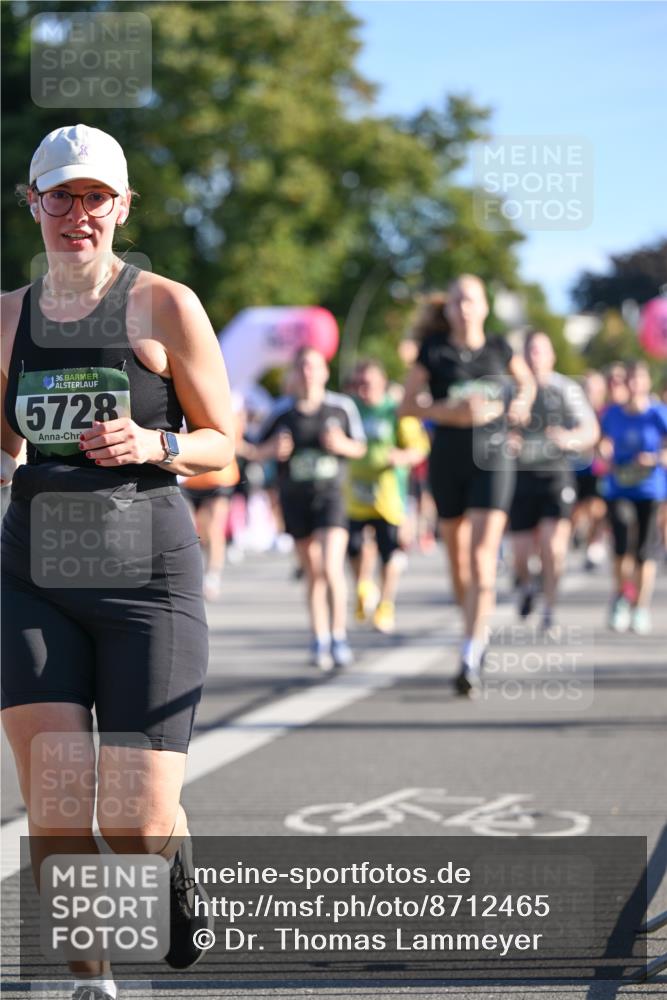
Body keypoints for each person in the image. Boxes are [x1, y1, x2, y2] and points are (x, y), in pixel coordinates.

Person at [1, 125, 235, 1000]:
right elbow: (2, 452)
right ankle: (88, 982)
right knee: (58, 809)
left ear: (122, 206)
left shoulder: (165, 305)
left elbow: (227, 449)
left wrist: (155, 438)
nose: (76, 213)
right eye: (58, 195)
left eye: (94, 196)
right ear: (33, 204)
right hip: (33, 579)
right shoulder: (7, 317)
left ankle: (172, 863)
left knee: (133, 825)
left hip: (148, 579)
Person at [399, 277, 535, 695]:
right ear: (449, 308)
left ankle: (470, 650)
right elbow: (407, 404)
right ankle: (473, 625)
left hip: (492, 460)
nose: (464, 307)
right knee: (458, 562)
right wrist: (450, 411)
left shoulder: (500, 348)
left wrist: (519, 405)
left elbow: (527, 385)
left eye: (471, 299)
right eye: (456, 299)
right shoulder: (434, 352)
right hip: (448, 460)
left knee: (481, 558)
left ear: (484, 306)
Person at [252, 347, 366, 670]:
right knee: (313, 571)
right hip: (295, 498)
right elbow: (253, 449)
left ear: (325, 372)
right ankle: (320, 638)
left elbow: (360, 447)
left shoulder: (340, 407)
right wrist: (272, 449)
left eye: (314, 366)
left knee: (331, 567)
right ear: (294, 373)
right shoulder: (281, 411)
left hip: (331, 496)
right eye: (302, 366)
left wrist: (342, 445)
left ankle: (339, 636)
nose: (308, 373)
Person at [509, 332, 599, 632]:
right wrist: (505, 440)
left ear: (551, 356)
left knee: (554, 547)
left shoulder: (566, 388)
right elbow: (490, 429)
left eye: (539, 351)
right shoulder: (512, 389)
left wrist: (570, 439)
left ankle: (549, 609)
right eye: (529, 351)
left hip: (555, 475)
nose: (534, 357)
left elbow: (590, 429)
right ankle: (526, 585)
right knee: (521, 554)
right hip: (520, 478)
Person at [346, 359, 429, 633]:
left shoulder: (395, 412)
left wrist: (401, 456)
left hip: (388, 497)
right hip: (355, 495)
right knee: (355, 548)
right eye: (359, 384)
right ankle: (363, 587)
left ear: (382, 383)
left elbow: (419, 448)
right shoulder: (351, 409)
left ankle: (385, 605)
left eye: (368, 384)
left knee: (388, 554)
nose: (363, 389)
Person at [598, 360, 667, 634]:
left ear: (647, 382)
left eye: (639, 378)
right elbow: (601, 441)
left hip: (650, 489)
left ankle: (640, 607)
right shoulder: (613, 414)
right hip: (619, 488)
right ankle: (620, 597)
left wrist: (654, 459)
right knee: (622, 541)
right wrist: (603, 451)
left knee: (644, 552)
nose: (634, 384)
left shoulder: (658, 414)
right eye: (630, 379)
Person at [181, 396, 246, 600]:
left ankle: (212, 576)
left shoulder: (233, 400)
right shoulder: (182, 394)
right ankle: (191, 576)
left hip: (219, 477)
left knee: (212, 528)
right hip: (187, 477)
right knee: (188, 528)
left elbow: (234, 440)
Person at [572, 370, 609, 570]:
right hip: (577, 469)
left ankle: (593, 544)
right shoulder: (575, 412)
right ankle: (579, 533)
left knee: (597, 507)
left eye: (595, 388)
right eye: (587, 388)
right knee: (576, 509)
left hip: (598, 468)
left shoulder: (607, 413)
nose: (591, 393)